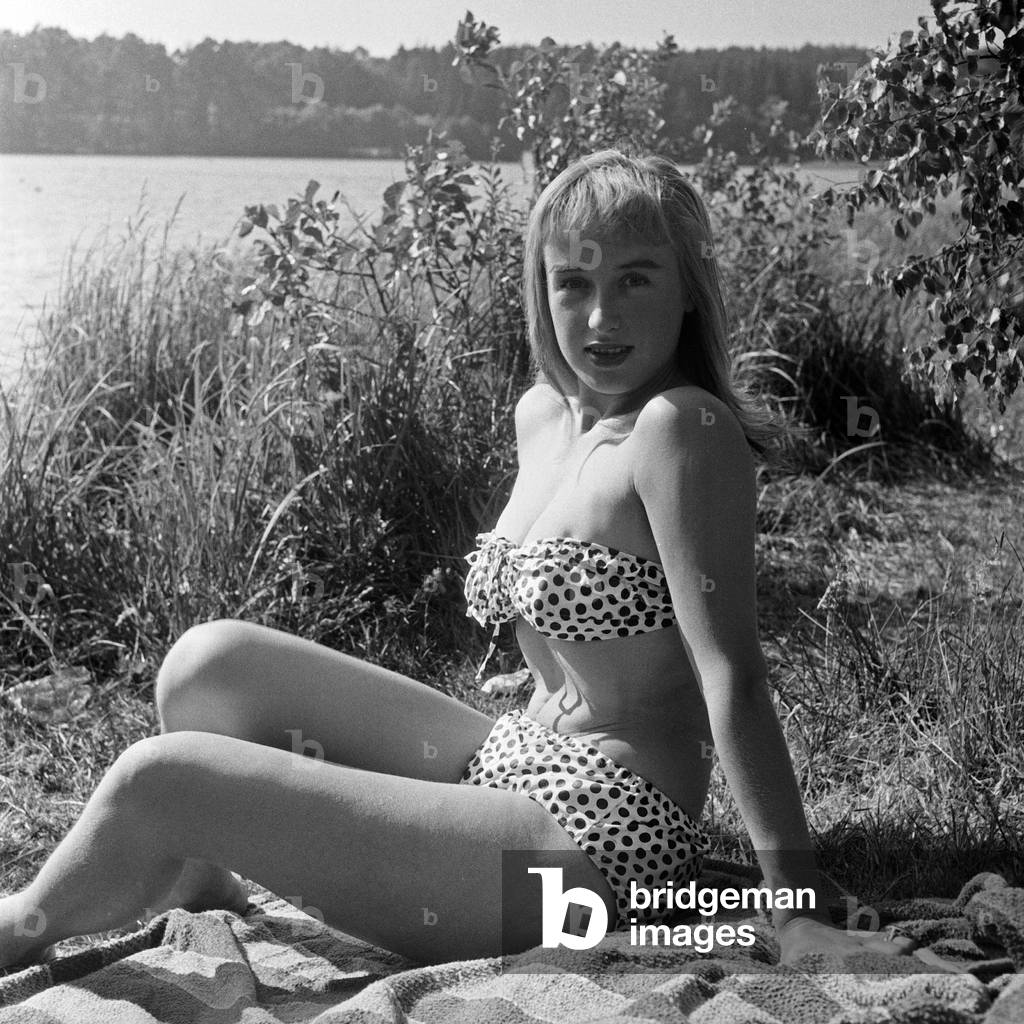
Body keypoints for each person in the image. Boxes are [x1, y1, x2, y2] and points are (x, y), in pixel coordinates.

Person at [0, 150, 916, 970]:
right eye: (573, 282)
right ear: (541, 289)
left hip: (597, 845)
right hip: (512, 757)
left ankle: (25, 924)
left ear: (687, 290)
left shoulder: (682, 430)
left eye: (636, 279)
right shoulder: (546, 418)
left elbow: (733, 676)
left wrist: (795, 903)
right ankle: (205, 879)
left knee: (158, 780)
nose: (601, 315)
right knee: (207, 666)